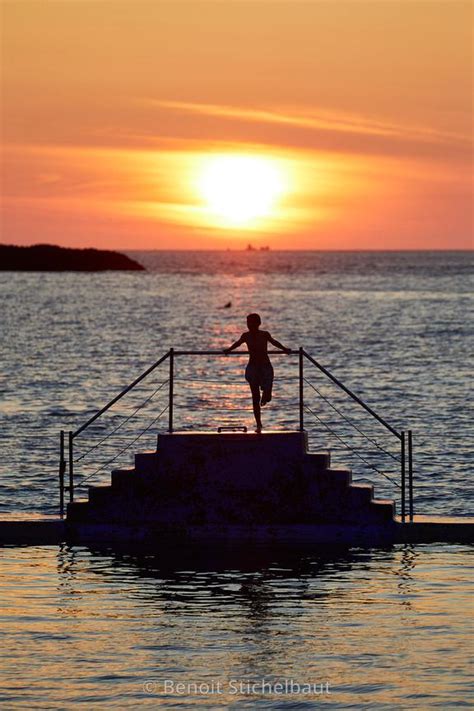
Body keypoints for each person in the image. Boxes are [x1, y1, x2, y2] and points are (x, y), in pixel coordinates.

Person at [224, 313, 291, 432]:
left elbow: (274, 342)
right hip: (253, 367)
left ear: (259, 323)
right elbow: (237, 343)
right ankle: (259, 423)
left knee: (267, 393)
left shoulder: (264, 334)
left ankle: (266, 394)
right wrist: (228, 350)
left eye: (253, 323)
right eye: (248, 323)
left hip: (265, 366)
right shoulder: (246, 335)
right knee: (255, 397)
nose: (250, 325)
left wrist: (285, 349)